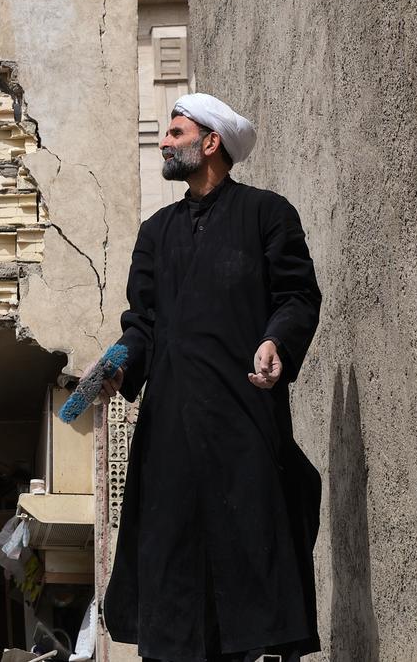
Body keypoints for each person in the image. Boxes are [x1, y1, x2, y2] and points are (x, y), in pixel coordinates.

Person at [97, 93, 323, 662]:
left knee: (254, 554)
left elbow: (297, 295)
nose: (165, 142)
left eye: (175, 132)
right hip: (171, 433)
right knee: (174, 564)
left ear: (210, 142)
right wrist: (120, 362)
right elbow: (142, 323)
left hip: (244, 421)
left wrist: (275, 340)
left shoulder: (267, 214)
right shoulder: (155, 233)